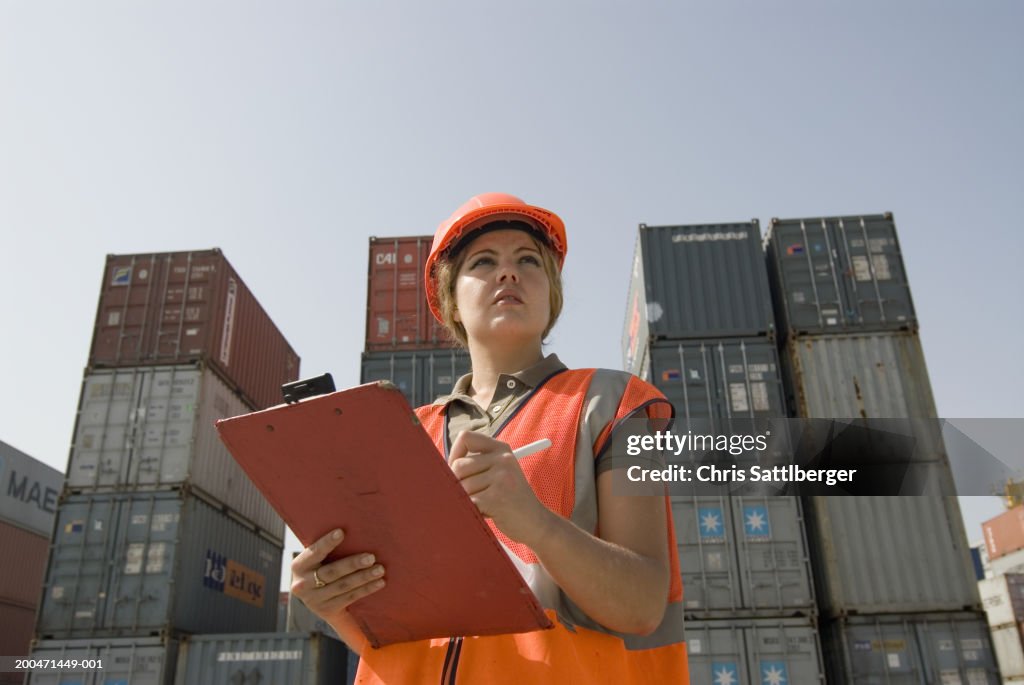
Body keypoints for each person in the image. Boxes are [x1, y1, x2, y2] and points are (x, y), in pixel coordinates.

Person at [291, 192, 689, 683]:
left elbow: (643, 604)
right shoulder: (404, 435)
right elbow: (395, 641)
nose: (508, 273)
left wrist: (535, 523)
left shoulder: (617, 402)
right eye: (484, 262)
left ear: (552, 294)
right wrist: (333, 603)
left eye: (528, 260)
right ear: (449, 301)